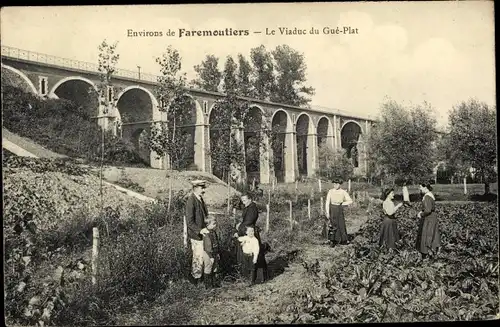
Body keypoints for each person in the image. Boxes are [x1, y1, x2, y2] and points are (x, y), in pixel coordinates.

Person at [233, 193, 269, 283]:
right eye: (242, 200)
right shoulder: (249, 207)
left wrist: (239, 228)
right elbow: (246, 221)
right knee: (249, 253)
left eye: (245, 200)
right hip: (248, 231)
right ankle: (251, 276)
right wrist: (240, 225)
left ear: (250, 199)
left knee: (253, 253)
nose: (243, 202)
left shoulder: (252, 208)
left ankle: (257, 278)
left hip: (250, 233)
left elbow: (248, 222)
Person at [185, 180, 211, 286]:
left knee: (202, 256)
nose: (204, 190)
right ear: (195, 188)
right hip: (196, 235)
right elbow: (189, 222)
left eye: (204, 188)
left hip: (203, 234)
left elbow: (204, 216)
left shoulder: (200, 199)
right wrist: (200, 230)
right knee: (197, 257)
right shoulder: (191, 201)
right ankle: (195, 279)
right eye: (202, 188)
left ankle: (200, 277)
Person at [325, 177, 353, 247]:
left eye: (337, 184)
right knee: (332, 224)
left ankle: (342, 239)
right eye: (334, 184)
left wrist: (342, 204)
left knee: (340, 224)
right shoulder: (330, 191)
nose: (335, 185)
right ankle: (332, 240)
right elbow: (327, 202)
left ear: (340, 184)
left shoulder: (343, 192)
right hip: (332, 209)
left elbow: (350, 200)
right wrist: (327, 212)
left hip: (339, 209)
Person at [415, 183, 440, 258]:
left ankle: (426, 253)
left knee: (427, 235)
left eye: (420, 187)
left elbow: (428, 210)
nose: (420, 189)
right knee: (432, 234)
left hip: (429, 218)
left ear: (425, 187)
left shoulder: (427, 197)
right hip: (432, 217)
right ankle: (432, 252)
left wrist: (421, 214)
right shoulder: (430, 195)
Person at [203, 216, 221, 289]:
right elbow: (208, 247)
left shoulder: (213, 232)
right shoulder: (207, 234)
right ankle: (208, 285)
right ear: (208, 225)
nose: (215, 225)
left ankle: (214, 283)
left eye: (215, 223)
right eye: (213, 224)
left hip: (214, 252)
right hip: (208, 254)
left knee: (215, 267)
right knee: (208, 268)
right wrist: (211, 257)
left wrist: (217, 253)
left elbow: (216, 243)